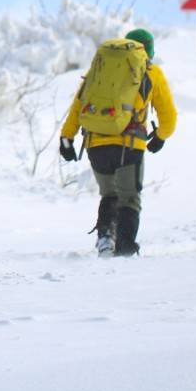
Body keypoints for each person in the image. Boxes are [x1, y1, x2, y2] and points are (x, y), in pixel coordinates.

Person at [58, 28, 177, 257]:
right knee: (129, 197)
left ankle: (105, 238)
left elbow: (78, 105)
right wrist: (160, 137)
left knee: (110, 194)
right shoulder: (151, 72)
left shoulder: (100, 69)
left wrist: (67, 138)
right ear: (148, 51)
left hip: (96, 143)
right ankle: (125, 248)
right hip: (129, 145)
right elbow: (169, 117)